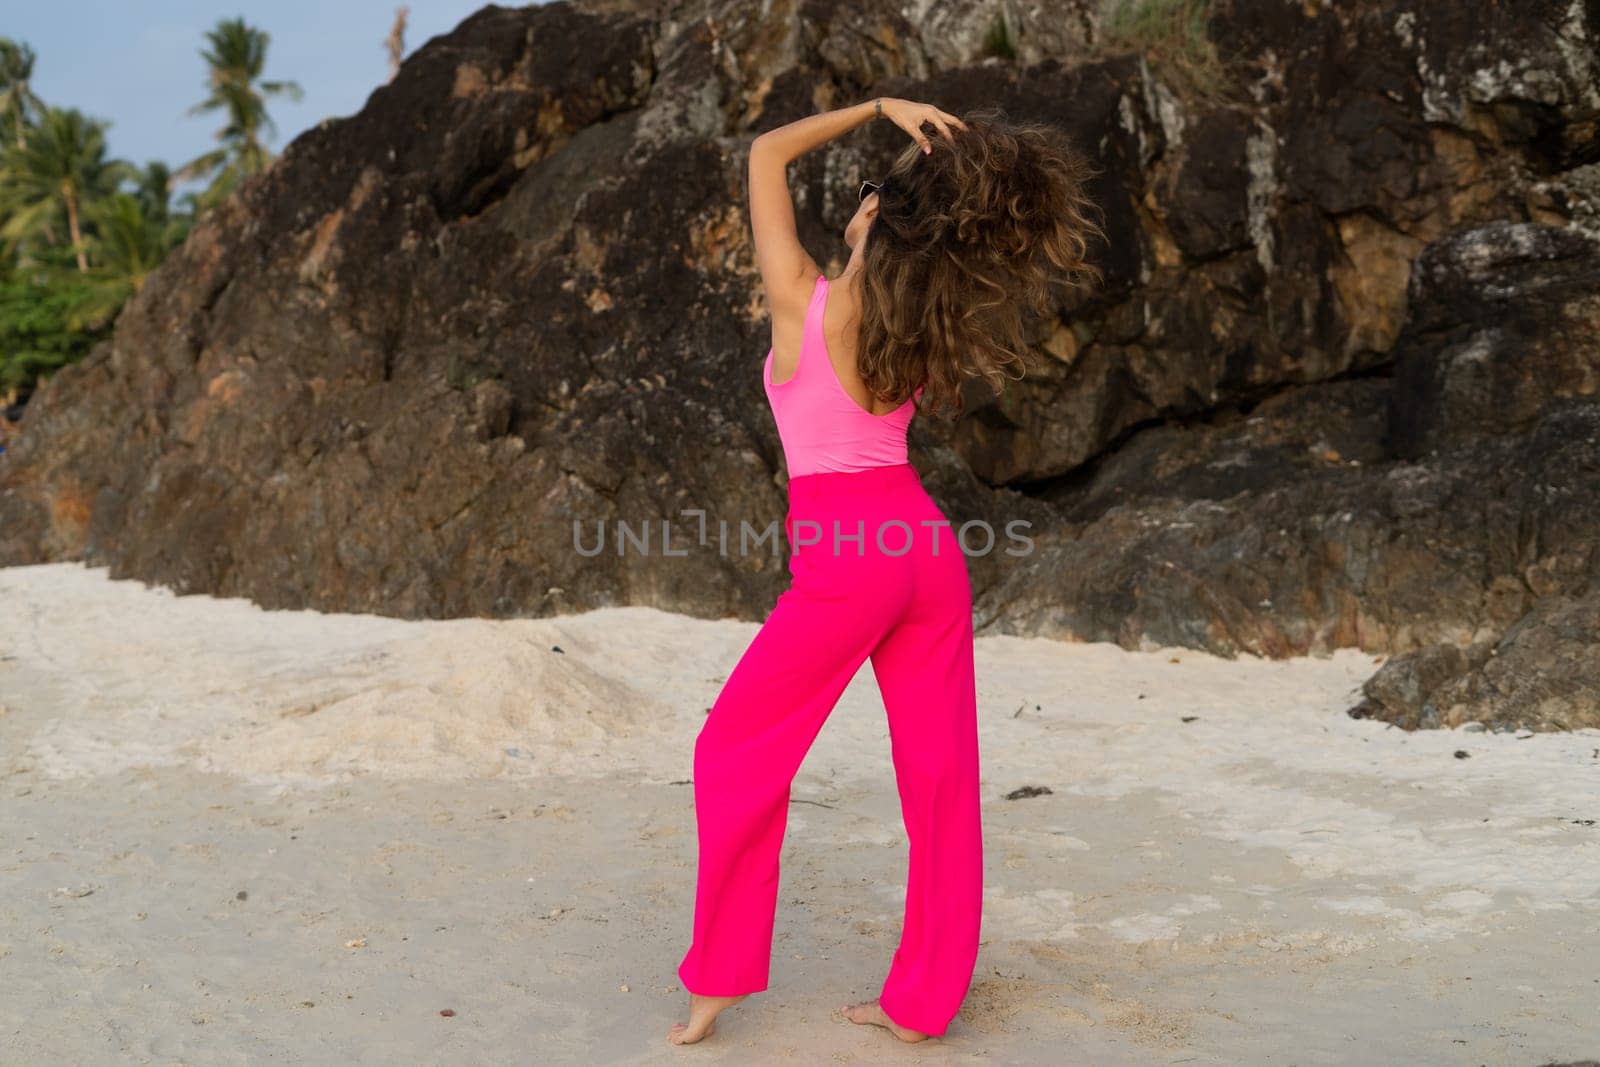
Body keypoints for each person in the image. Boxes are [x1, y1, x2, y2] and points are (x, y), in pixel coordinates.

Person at [670, 97, 1102, 1046]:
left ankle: (718, 979)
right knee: (940, 781)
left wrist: (874, 108)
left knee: (732, 753)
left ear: (873, 222)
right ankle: (922, 1003)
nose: (857, 204)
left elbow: (765, 153)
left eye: (867, 198)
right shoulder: (914, 329)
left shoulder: (802, 298)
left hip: (849, 562)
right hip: (927, 553)